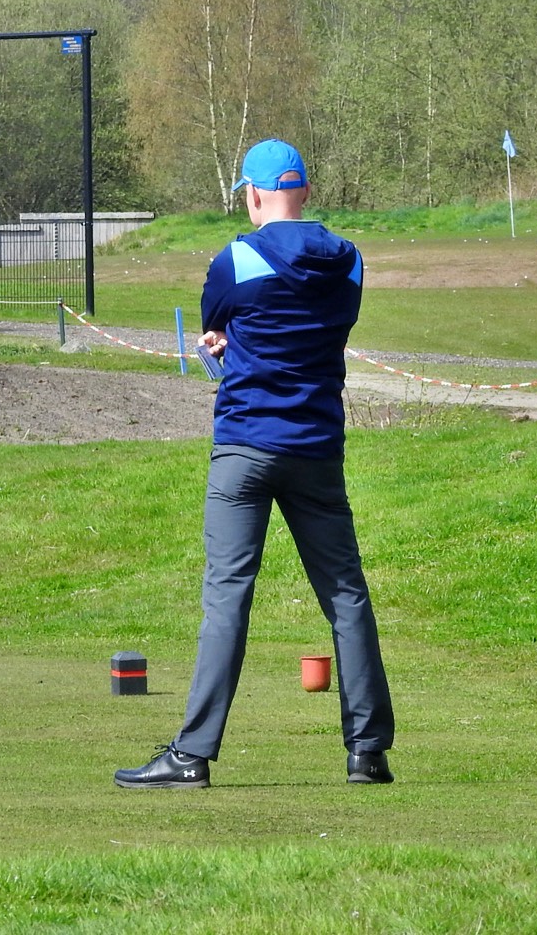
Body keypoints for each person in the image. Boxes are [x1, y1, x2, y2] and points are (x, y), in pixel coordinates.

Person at [114, 138, 395, 788]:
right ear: (305, 190)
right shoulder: (350, 260)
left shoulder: (235, 259)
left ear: (254, 195)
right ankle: (368, 752)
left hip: (244, 444)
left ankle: (192, 755)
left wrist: (225, 347)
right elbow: (329, 328)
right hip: (317, 448)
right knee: (346, 594)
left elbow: (217, 330)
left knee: (227, 597)